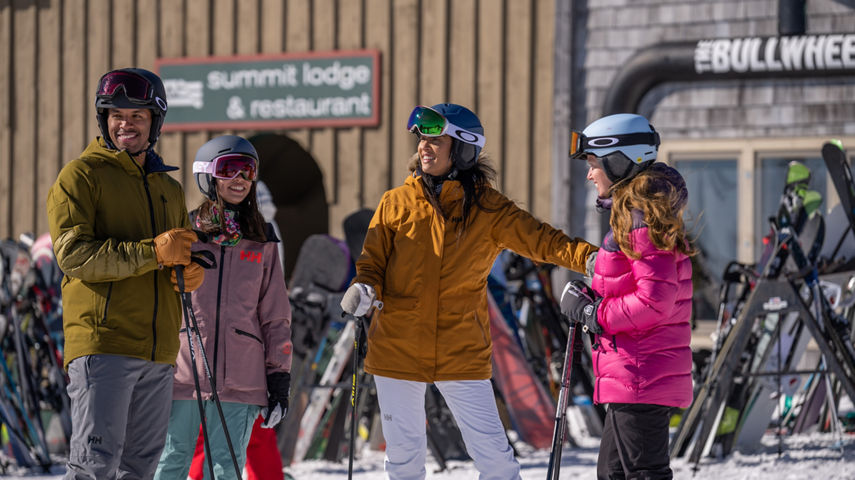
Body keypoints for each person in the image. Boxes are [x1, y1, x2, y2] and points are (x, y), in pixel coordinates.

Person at [340, 103, 598, 479]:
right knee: (403, 458)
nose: (424, 148)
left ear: (462, 148)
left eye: (436, 140)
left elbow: (544, 241)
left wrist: (595, 260)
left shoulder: (489, 210)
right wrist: (363, 288)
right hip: (397, 345)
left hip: (459, 349)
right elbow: (372, 264)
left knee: (494, 456)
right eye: (422, 140)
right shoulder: (396, 203)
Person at [47, 67, 202, 479]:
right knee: (94, 467)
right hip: (105, 343)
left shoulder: (167, 188)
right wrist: (152, 252)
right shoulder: (80, 177)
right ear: (104, 119)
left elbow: (178, 254)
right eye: (116, 114)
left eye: (136, 116)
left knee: (140, 469)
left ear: (155, 121)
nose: (125, 124)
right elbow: (74, 255)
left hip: (159, 349)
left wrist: (187, 273)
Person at [559, 113, 694, 479]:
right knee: (614, 474)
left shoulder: (642, 217)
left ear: (620, 161)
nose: (589, 175)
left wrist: (594, 314)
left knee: (641, 473)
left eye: (593, 164)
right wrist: (594, 293)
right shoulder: (635, 214)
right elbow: (636, 285)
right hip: (633, 373)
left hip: (641, 373)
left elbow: (654, 301)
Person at [154, 135, 293, 480]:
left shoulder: (262, 240)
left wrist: (278, 377)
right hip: (183, 372)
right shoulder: (183, 233)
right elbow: (157, 302)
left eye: (247, 171)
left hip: (241, 378)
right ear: (207, 175)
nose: (240, 180)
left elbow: (275, 315)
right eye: (229, 169)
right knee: (172, 459)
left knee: (225, 465)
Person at [185, 180, 287, 480]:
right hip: (243, 349)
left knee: (216, 434)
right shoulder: (263, 229)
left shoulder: (260, 234)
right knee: (250, 435)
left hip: (239, 349)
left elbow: (263, 298)